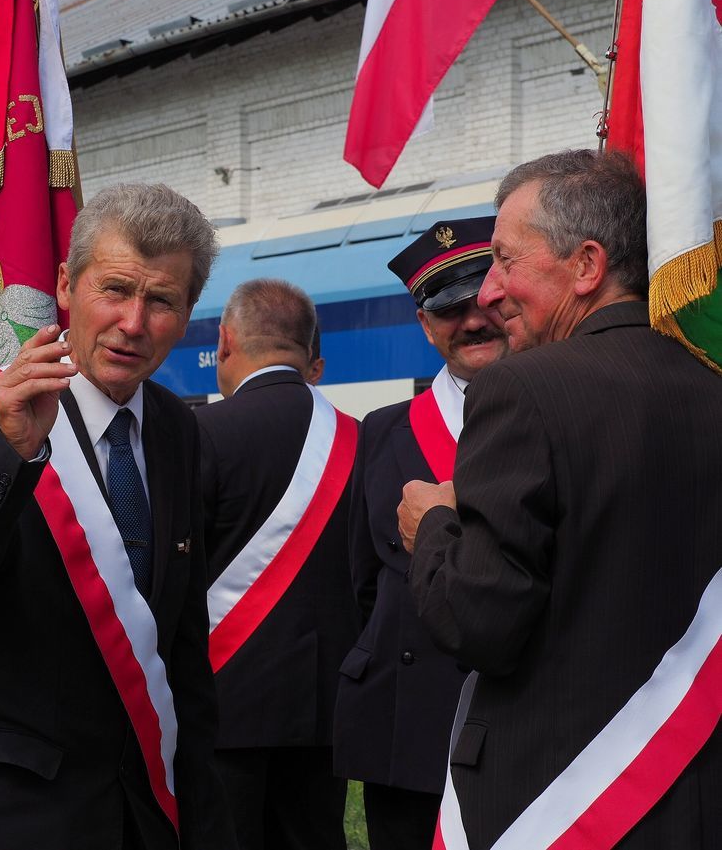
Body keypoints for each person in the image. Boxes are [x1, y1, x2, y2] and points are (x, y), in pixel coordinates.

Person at [0, 183, 234, 850]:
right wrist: (10, 452)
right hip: (5, 818)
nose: (133, 322)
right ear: (65, 287)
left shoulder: (180, 433)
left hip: (139, 818)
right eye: (114, 289)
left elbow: (183, 654)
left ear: (188, 313)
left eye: (160, 300)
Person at [399, 150, 722, 849]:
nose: (488, 292)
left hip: (561, 799)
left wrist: (433, 527)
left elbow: (479, 619)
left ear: (586, 265)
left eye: (506, 261)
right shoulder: (711, 384)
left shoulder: (522, 390)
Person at [330, 218, 507, 849]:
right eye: (447, 310)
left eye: (484, 300)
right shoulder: (382, 431)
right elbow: (362, 583)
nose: (471, 321)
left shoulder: (559, 408)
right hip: (407, 727)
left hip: (518, 716)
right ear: (425, 326)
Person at [198, 279, 360, 850]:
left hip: (221, 702)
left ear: (224, 343)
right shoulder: (360, 440)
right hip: (325, 713)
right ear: (310, 353)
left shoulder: (201, 435)